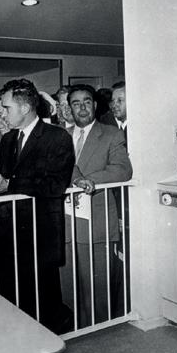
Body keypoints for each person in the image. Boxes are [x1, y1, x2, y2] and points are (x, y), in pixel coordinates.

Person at [0, 79, 75, 333]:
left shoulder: (57, 137)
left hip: (40, 234)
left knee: (43, 303)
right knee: (11, 300)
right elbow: (5, 177)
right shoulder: (8, 140)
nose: (2, 115)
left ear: (25, 107)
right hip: (8, 234)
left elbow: (55, 184)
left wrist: (9, 183)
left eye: (6, 108)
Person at [61, 84, 132, 327]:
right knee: (68, 289)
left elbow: (122, 170)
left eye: (87, 102)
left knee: (98, 293)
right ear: (70, 108)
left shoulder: (111, 134)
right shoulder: (60, 136)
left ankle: (101, 337)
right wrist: (75, 178)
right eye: (76, 103)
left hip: (96, 224)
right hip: (65, 224)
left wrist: (88, 181)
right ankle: (73, 334)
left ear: (95, 105)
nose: (82, 108)